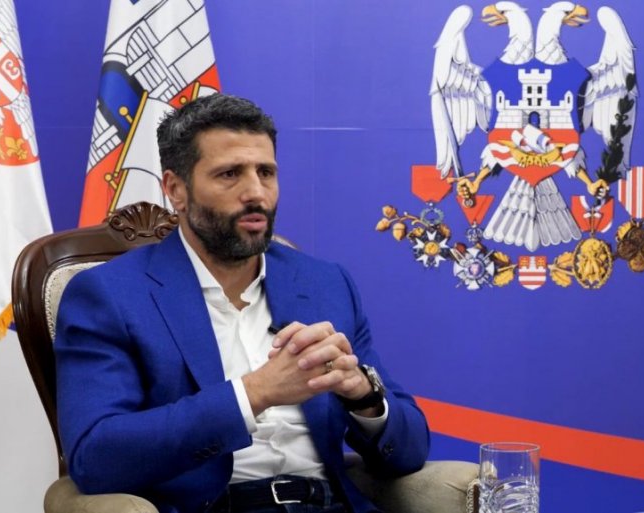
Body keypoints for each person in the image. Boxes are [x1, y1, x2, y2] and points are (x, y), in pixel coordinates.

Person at [54, 94, 430, 513]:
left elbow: (411, 449)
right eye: (230, 174)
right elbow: (96, 458)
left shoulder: (325, 284)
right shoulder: (109, 295)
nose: (256, 193)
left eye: (266, 172)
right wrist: (255, 393)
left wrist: (362, 396)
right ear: (176, 190)